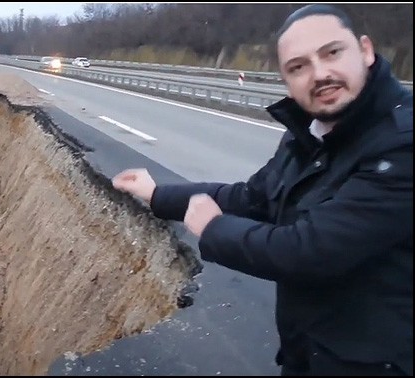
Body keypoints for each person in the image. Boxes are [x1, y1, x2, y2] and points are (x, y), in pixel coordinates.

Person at [112, 4, 412, 376]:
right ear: (286, 79)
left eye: (332, 53)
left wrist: (213, 228)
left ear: (365, 51)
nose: (320, 74)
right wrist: (158, 194)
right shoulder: (309, 135)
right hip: (309, 354)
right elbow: (252, 198)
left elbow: (310, 251)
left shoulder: (402, 142)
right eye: (298, 67)